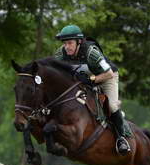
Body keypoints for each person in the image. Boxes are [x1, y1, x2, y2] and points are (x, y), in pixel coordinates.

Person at [54, 24, 131, 155]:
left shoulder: (91, 52)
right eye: (65, 43)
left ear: (79, 42)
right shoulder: (61, 53)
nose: (67, 47)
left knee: (111, 106)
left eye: (70, 43)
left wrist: (92, 79)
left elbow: (109, 74)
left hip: (107, 78)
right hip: (84, 80)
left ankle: (121, 138)